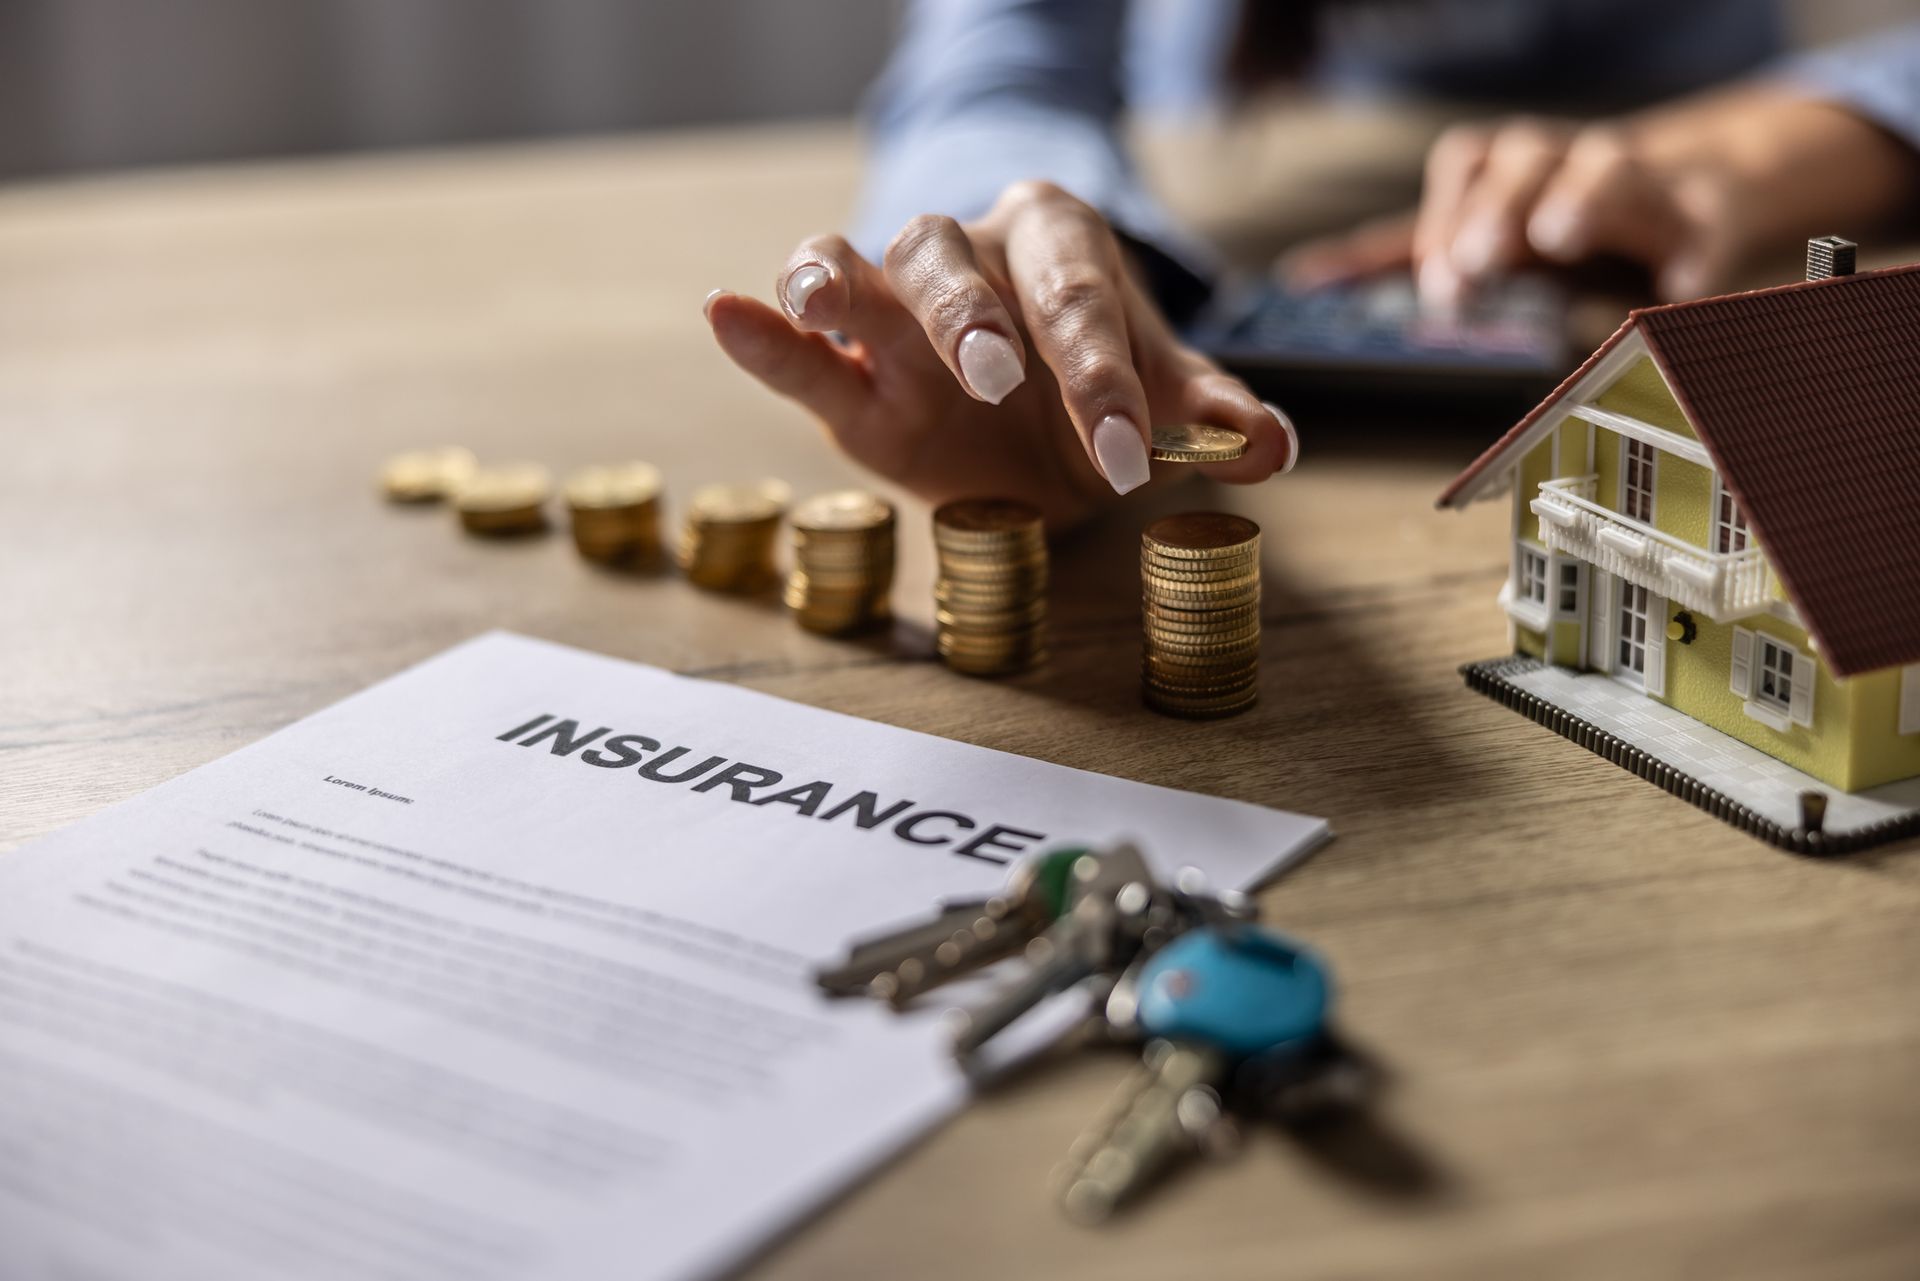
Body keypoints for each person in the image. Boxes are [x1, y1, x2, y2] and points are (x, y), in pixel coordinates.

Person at [706, 1, 1920, 526]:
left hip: (1705, 187)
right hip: (1227, 178)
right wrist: (1027, 253)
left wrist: (1782, 144)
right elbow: (995, 63)